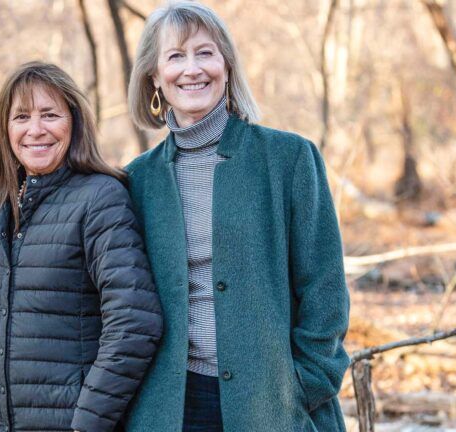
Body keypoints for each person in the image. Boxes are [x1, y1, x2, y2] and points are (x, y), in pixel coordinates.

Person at [123, 2, 350, 431]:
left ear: (226, 65)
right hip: (167, 410)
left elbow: (325, 290)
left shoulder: (288, 159)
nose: (192, 69)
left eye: (205, 53)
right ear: (154, 76)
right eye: (175, 56)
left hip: (274, 405)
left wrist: (304, 385)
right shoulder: (136, 181)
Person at [0, 61, 163, 432]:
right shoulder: (1, 200)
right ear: (4, 129)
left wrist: (88, 420)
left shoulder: (100, 199)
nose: (35, 130)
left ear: (73, 121)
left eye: (49, 115)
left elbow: (134, 321)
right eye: (21, 117)